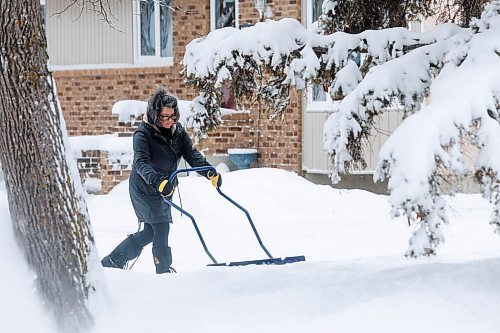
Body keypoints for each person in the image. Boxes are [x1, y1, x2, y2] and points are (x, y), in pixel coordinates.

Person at [101, 87, 222, 274]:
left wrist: (209, 171)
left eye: (171, 116)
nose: (167, 121)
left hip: (165, 186)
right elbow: (140, 163)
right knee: (161, 227)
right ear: (154, 113)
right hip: (144, 187)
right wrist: (158, 182)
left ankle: (112, 261)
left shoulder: (177, 131)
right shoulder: (143, 134)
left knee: (150, 232)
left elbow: (191, 154)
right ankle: (163, 271)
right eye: (163, 117)